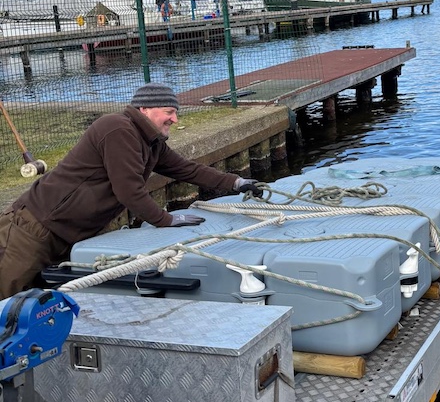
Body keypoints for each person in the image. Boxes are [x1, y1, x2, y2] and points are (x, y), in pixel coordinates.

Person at [0, 83, 262, 299]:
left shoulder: (152, 142)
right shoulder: (117, 129)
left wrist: (236, 182)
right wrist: (166, 219)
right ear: (145, 109)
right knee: (7, 297)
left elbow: (186, 169)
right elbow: (128, 190)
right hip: (34, 228)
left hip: (69, 235)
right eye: (169, 111)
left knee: (40, 304)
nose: (175, 119)